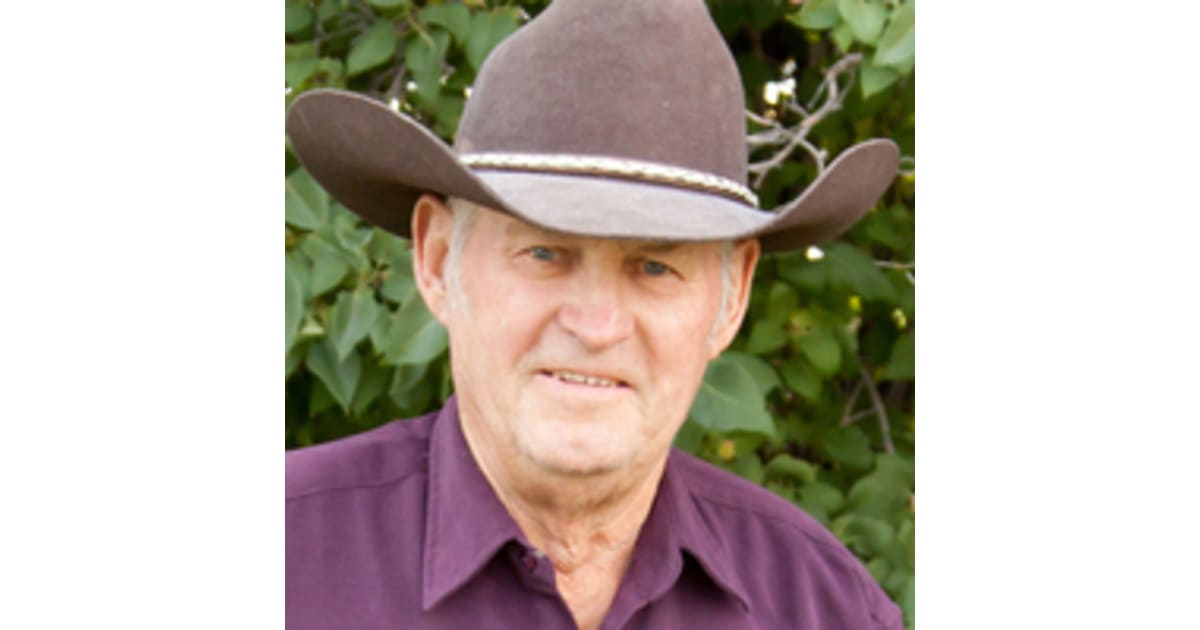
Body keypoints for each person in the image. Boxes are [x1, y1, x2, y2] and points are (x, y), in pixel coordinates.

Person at [285, 0, 903, 628]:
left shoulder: (824, 607)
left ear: (732, 298)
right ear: (438, 259)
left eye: (655, 268)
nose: (598, 326)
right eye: (543, 254)